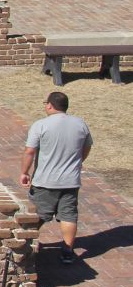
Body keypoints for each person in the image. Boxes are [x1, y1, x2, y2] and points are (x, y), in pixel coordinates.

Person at [20, 90, 92, 265]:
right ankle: (68, 251)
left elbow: (30, 151)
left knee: (37, 215)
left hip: (45, 182)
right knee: (69, 216)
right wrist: (78, 161)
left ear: (50, 105)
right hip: (70, 181)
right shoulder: (80, 124)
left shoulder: (40, 125)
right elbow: (87, 146)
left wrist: (24, 172)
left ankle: (26, 244)